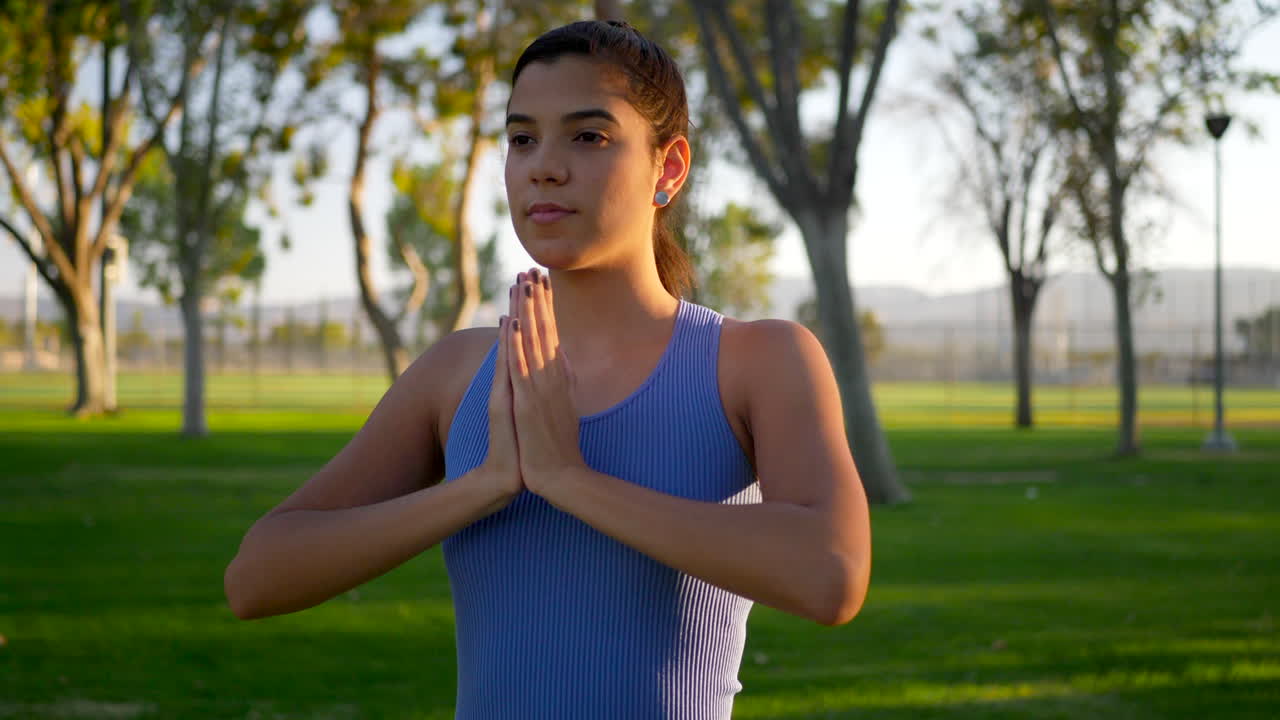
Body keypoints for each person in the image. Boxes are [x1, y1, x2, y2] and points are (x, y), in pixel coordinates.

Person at [224, 19, 871, 719]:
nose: (544, 166)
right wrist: (481, 487)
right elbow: (256, 578)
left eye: (588, 136)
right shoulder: (456, 373)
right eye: (522, 138)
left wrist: (570, 480)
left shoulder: (756, 360)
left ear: (669, 168)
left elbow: (831, 574)